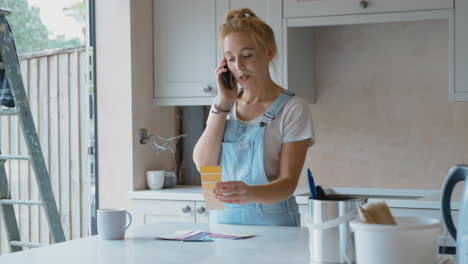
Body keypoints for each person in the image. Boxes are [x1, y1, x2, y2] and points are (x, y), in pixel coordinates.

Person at [193, 8, 314, 227]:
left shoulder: (293, 108)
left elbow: (288, 184)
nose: (238, 67)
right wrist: (222, 103)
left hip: (275, 228)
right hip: (223, 226)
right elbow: (204, 166)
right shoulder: (223, 105)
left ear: (269, 52)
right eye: (230, 59)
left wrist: (249, 193)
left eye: (247, 55)